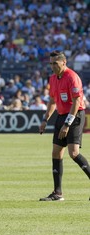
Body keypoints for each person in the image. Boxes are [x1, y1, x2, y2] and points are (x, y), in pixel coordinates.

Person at [39, 50, 89, 201]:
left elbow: (76, 103)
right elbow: (53, 101)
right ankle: (57, 193)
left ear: (64, 62)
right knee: (56, 152)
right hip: (61, 116)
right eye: (51, 63)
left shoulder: (72, 77)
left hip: (75, 116)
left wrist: (67, 124)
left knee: (73, 153)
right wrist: (45, 119)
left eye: (55, 63)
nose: (53, 66)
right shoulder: (53, 78)